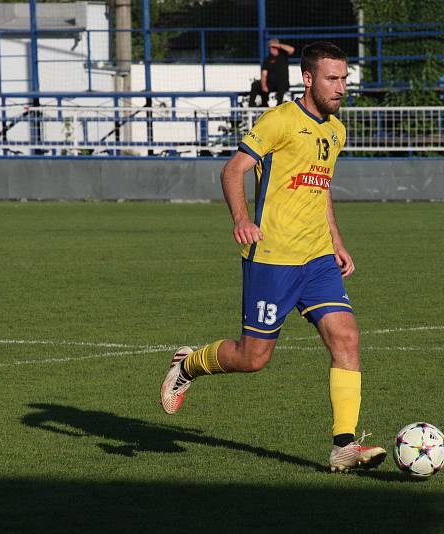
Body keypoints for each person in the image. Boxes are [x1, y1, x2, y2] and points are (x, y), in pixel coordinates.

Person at [161, 41, 386, 473]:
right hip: (273, 258)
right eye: (332, 79)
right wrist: (242, 220)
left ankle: (344, 445)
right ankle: (188, 363)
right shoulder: (280, 121)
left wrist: (337, 242)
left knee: (347, 338)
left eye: (344, 79)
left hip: (318, 259)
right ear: (308, 79)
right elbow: (232, 170)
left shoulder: (335, 130)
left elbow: (320, 191)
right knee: (253, 359)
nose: (341, 88)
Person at [260, 38, 295, 106]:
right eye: (271, 47)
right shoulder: (268, 59)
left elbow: (292, 50)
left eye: (274, 47)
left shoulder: (283, 55)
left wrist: (278, 45)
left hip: (282, 84)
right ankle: (257, 107)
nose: (272, 49)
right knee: (256, 85)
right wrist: (263, 85)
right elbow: (264, 74)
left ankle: (279, 106)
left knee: (281, 83)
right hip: (271, 84)